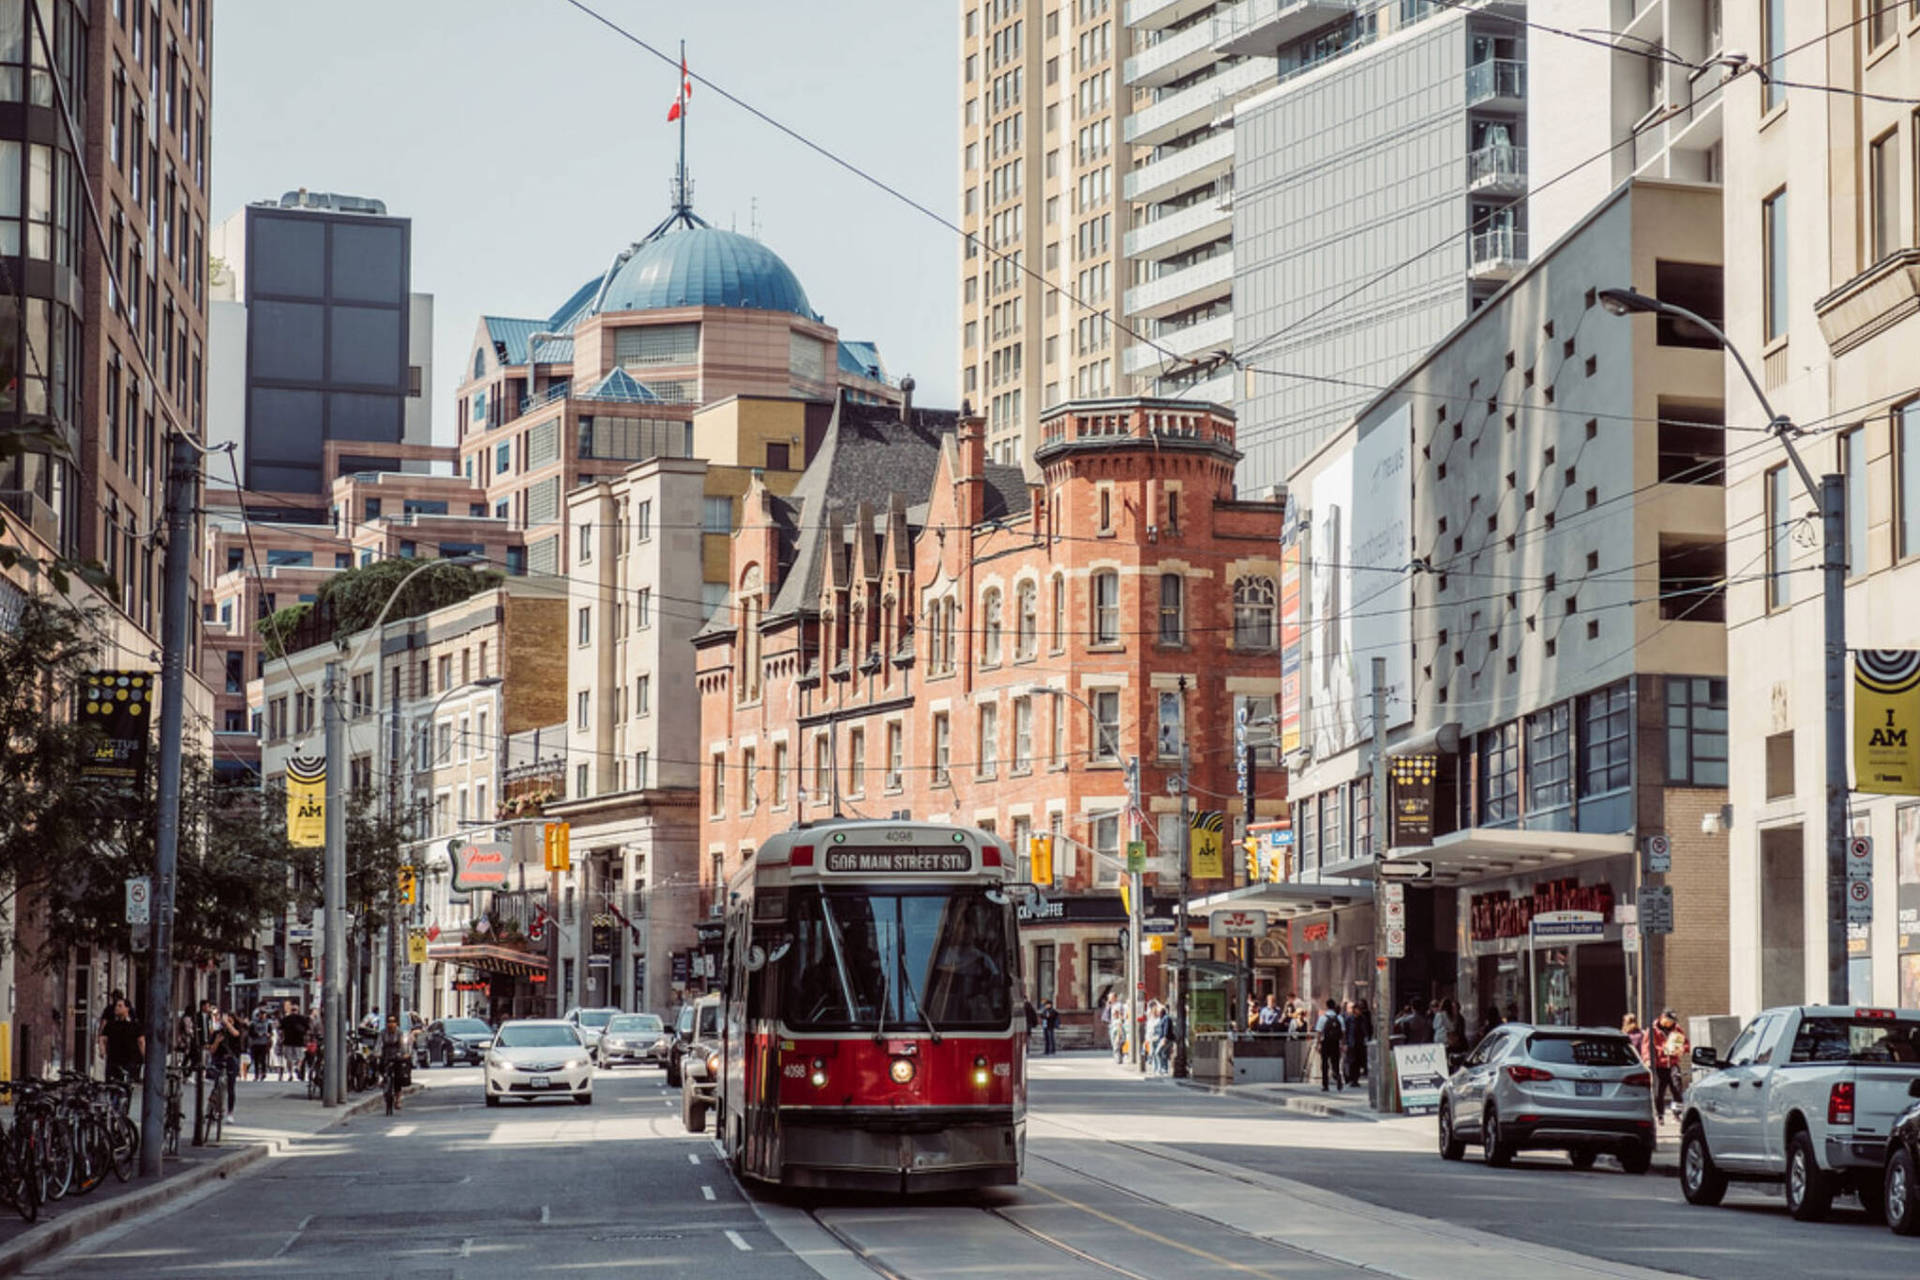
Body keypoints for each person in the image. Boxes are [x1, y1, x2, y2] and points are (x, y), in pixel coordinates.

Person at [1650, 1010, 1690, 1120]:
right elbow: (1646, 1047)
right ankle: (1660, 1115)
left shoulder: (1677, 1029)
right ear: (1663, 1017)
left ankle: (1676, 1113)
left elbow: (1686, 1043)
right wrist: (1648, 1060)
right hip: (1660, 1065)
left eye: (1672, 1021)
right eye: (1669, 1021)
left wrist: (1682, 1049)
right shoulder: (1653, 1030)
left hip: (1673, 1064)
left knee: (1677, 1088)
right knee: (1659, 1091)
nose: (1671, 1023)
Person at [206, 1004, 243, 1118]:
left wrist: (227, 1023)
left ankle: (230, 1112)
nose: (227, 1024)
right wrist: (217, 1041)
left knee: (231, 1087)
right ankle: (213, 1108)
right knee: (217, 1085)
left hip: (231, 1060)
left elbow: (236, 1034)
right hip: (218, 1060)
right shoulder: (217, 1033)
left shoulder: (235, 1032)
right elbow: (211, 1050)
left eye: (230, 1021)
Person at [97, 997, 145, 1084]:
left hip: (130, 1061)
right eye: (116, 1006)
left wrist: (144, 1056)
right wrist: (102, 1049)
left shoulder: (135, 1025)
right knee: (112, 1084)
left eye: (120, 1006)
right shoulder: (111, 1024)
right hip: (114, 1060)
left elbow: (141, 1041)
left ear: (127, 1008)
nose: (116, 1008)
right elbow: (103, 1038)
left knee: (127, 1085)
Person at [378, 1014, 413, 1111]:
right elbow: (379, 1044)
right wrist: (377, 1053)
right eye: (389, 1022)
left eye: (393, 1022)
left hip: (397, 1055)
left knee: (398, 1078)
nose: (391, 1024)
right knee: (380, 1065)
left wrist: (404, 1054)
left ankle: (398, 1099)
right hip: (386, 1055)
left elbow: (403, 1045)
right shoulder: (382, 1033)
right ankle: (382, 1079)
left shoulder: (399, 1033)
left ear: (396, 1023)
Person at [1315, 998, 1346, 1091]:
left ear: (1327, 1006)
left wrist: (1318, 1044)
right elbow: (1343, 1032)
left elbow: (1319, 1032)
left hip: (1325, 1043)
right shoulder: (1339, 1018)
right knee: (1335, 1062)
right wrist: (1342, 1043)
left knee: (1324, 1063)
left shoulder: (1323, 1018)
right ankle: (1337, 1076)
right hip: (1335, 1043)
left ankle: (1325, 1085)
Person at [280, 1004, 312, 1082]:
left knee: (289, 1059)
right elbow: (308, 1029)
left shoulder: (286, 1019)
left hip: (288, 1041)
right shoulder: (302, 1019)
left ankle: (290, 1074)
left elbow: (281, 1029)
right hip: (299, 1041)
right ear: (298, 1011)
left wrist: (281, 1039)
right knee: (300, 1057)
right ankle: (297, 1067)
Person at [1342, 999, 1367, 1088]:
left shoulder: (1362, 1019)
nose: (1359, 1011)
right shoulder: (1349, 1019)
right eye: (1358, 1009)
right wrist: (1345, 1043)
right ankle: (1350, 1078)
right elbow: (1346, 1032)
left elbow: (1365, 1030)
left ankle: (1356, 1079)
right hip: (1351, 1044)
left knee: (1359, 1062)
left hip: (1360, 1043)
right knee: (1351, 1062)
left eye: (1360, 1009)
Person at [248, 1006, 274, 1082]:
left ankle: (263, 1073)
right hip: (255, 1043)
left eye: (263, 1014)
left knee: (263, 1059)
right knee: (255, 1059)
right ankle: (256, 1074)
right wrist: (257, 1034)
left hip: (264, 1043)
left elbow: (270, 1032)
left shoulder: (268, 1023)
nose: (262, 1016)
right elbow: (250, 1033)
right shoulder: (253, 1023)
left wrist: (269, 1035)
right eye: (261, 1014)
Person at [1104, 992, 1126, 1063]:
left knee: (1117, 1042)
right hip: (1112, 1025)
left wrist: (1120, 1021)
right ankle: (1118, 1056)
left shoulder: (1118, 1005)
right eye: (1109, 998)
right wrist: (1107, 1007)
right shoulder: (1110, 1005)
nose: (1109, 999)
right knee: (1114, 1042)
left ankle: (1118, 1058)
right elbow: (1105, 1016)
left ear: (1115, 998)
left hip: (1117, 1025)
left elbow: (1120, 1016)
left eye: (1111, 998)